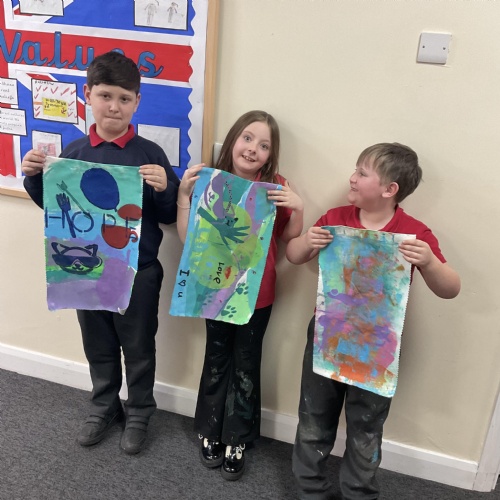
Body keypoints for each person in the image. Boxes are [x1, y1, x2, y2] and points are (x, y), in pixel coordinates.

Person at [21, 51, 180, 455]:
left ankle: (139, 411)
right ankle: (104, 405)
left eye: (124, 99)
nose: (114, 107)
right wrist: (34, 178)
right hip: (84, 267)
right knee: (98, 344)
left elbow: (167, 216)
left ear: (137, 102)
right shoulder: (73, 154)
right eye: (105, 96)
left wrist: (166, 188)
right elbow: (57, 211)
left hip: (138, 270)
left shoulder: (150, 155)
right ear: (88, 95)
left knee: (139, 346)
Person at [287, 143, 460, 499]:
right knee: (314, 417)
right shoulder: (335, 218)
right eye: (356, 169)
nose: (352, 177)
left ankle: (358, 493)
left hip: (377, 346)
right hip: (328, 336)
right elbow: (293, 255)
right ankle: (309, 490)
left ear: (389, 189)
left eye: (362, 173)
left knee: (366, 427)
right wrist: (307, 241)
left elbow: (451, 289)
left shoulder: (413, 233)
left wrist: (429, 262)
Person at [176, 110, 304, 480]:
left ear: (271, 154)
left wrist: (298, 208)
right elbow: (188, 239)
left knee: (246, 362)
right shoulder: (210, 180)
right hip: (215, 287)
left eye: (264, 145)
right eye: (247, 138)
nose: (252, 149)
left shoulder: (276, 187)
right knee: (216, 358)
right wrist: (184, 196)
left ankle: (237, 437)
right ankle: (209, 428)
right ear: (233, 139)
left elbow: (288, 238)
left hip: (256, 294)